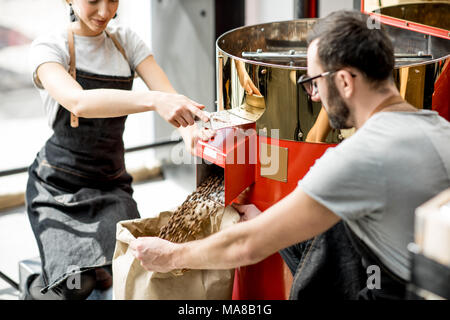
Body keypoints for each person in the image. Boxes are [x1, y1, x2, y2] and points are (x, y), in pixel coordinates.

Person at [130, 10, 450, 300]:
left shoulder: (359, 157)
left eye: (313, 83)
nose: (313, 96)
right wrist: (272, 223)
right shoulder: (439, 128)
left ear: (344, 81)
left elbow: (246, 245)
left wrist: (169, 256)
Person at [25, 0, 213, 300]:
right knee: (75, 285)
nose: (104, 12)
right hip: (58, 187)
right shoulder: (50, 47)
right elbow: (79, 103)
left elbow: (168, 96)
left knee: (134, 270)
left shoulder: (125, 41)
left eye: (112, 0)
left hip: (111, 184)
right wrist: (153, 101)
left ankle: (96, 274)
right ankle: (33, 288)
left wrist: (191, 132)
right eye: (93, 1)